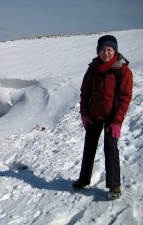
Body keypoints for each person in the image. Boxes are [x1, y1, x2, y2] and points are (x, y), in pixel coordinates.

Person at [73, 35, 133, 200]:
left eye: (109, 50)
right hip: (93, 116)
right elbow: (85, 92)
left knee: (111, 149)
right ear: (98, 51)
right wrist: (84, 114)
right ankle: (84, 179)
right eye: (102, 49)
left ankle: (114, 186)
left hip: (111, 118)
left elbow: (124, 97)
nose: (106, 53)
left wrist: (117, 121)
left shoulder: (122, 70)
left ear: (115, 51)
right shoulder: (93, 68)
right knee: (89, 148)